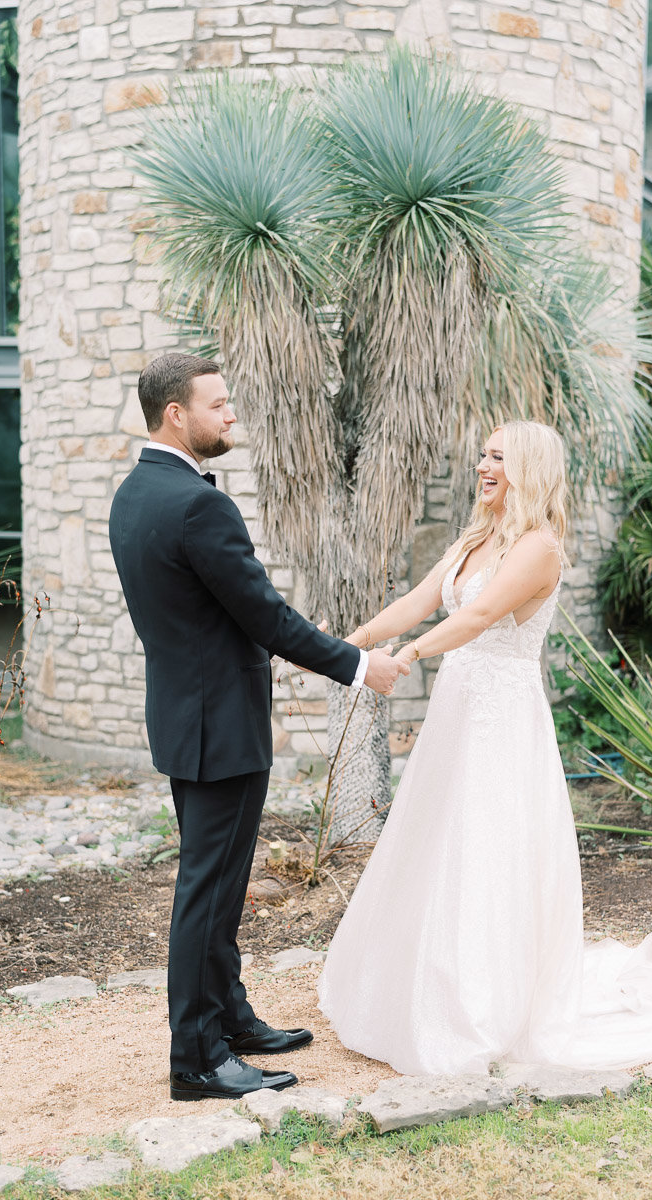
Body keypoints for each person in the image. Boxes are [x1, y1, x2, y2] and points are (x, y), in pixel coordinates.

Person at [318, 420, 652, 1076]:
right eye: (482, 454)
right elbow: (415, 601)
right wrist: (341, 648)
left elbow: (474, 618)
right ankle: (412, 991)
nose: (481, 465)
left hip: (501, 722)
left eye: (497, 456)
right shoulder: (476, 539)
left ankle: (479, 1010)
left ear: (527, 468)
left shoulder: (539, 549)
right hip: (457, 714)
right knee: (436, 842)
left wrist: (405, 656)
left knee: (484, 850)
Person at [109, 352, 408, 1101]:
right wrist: (355, 664)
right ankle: (198, 1060)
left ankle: (230, 1017)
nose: (231, 414)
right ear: (176, 414)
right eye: (218, 404)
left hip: (185, 719)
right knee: (207, 893)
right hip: (221, 727)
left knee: (220, 885)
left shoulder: (133, 494)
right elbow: (265, 617)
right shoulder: (198, 505)